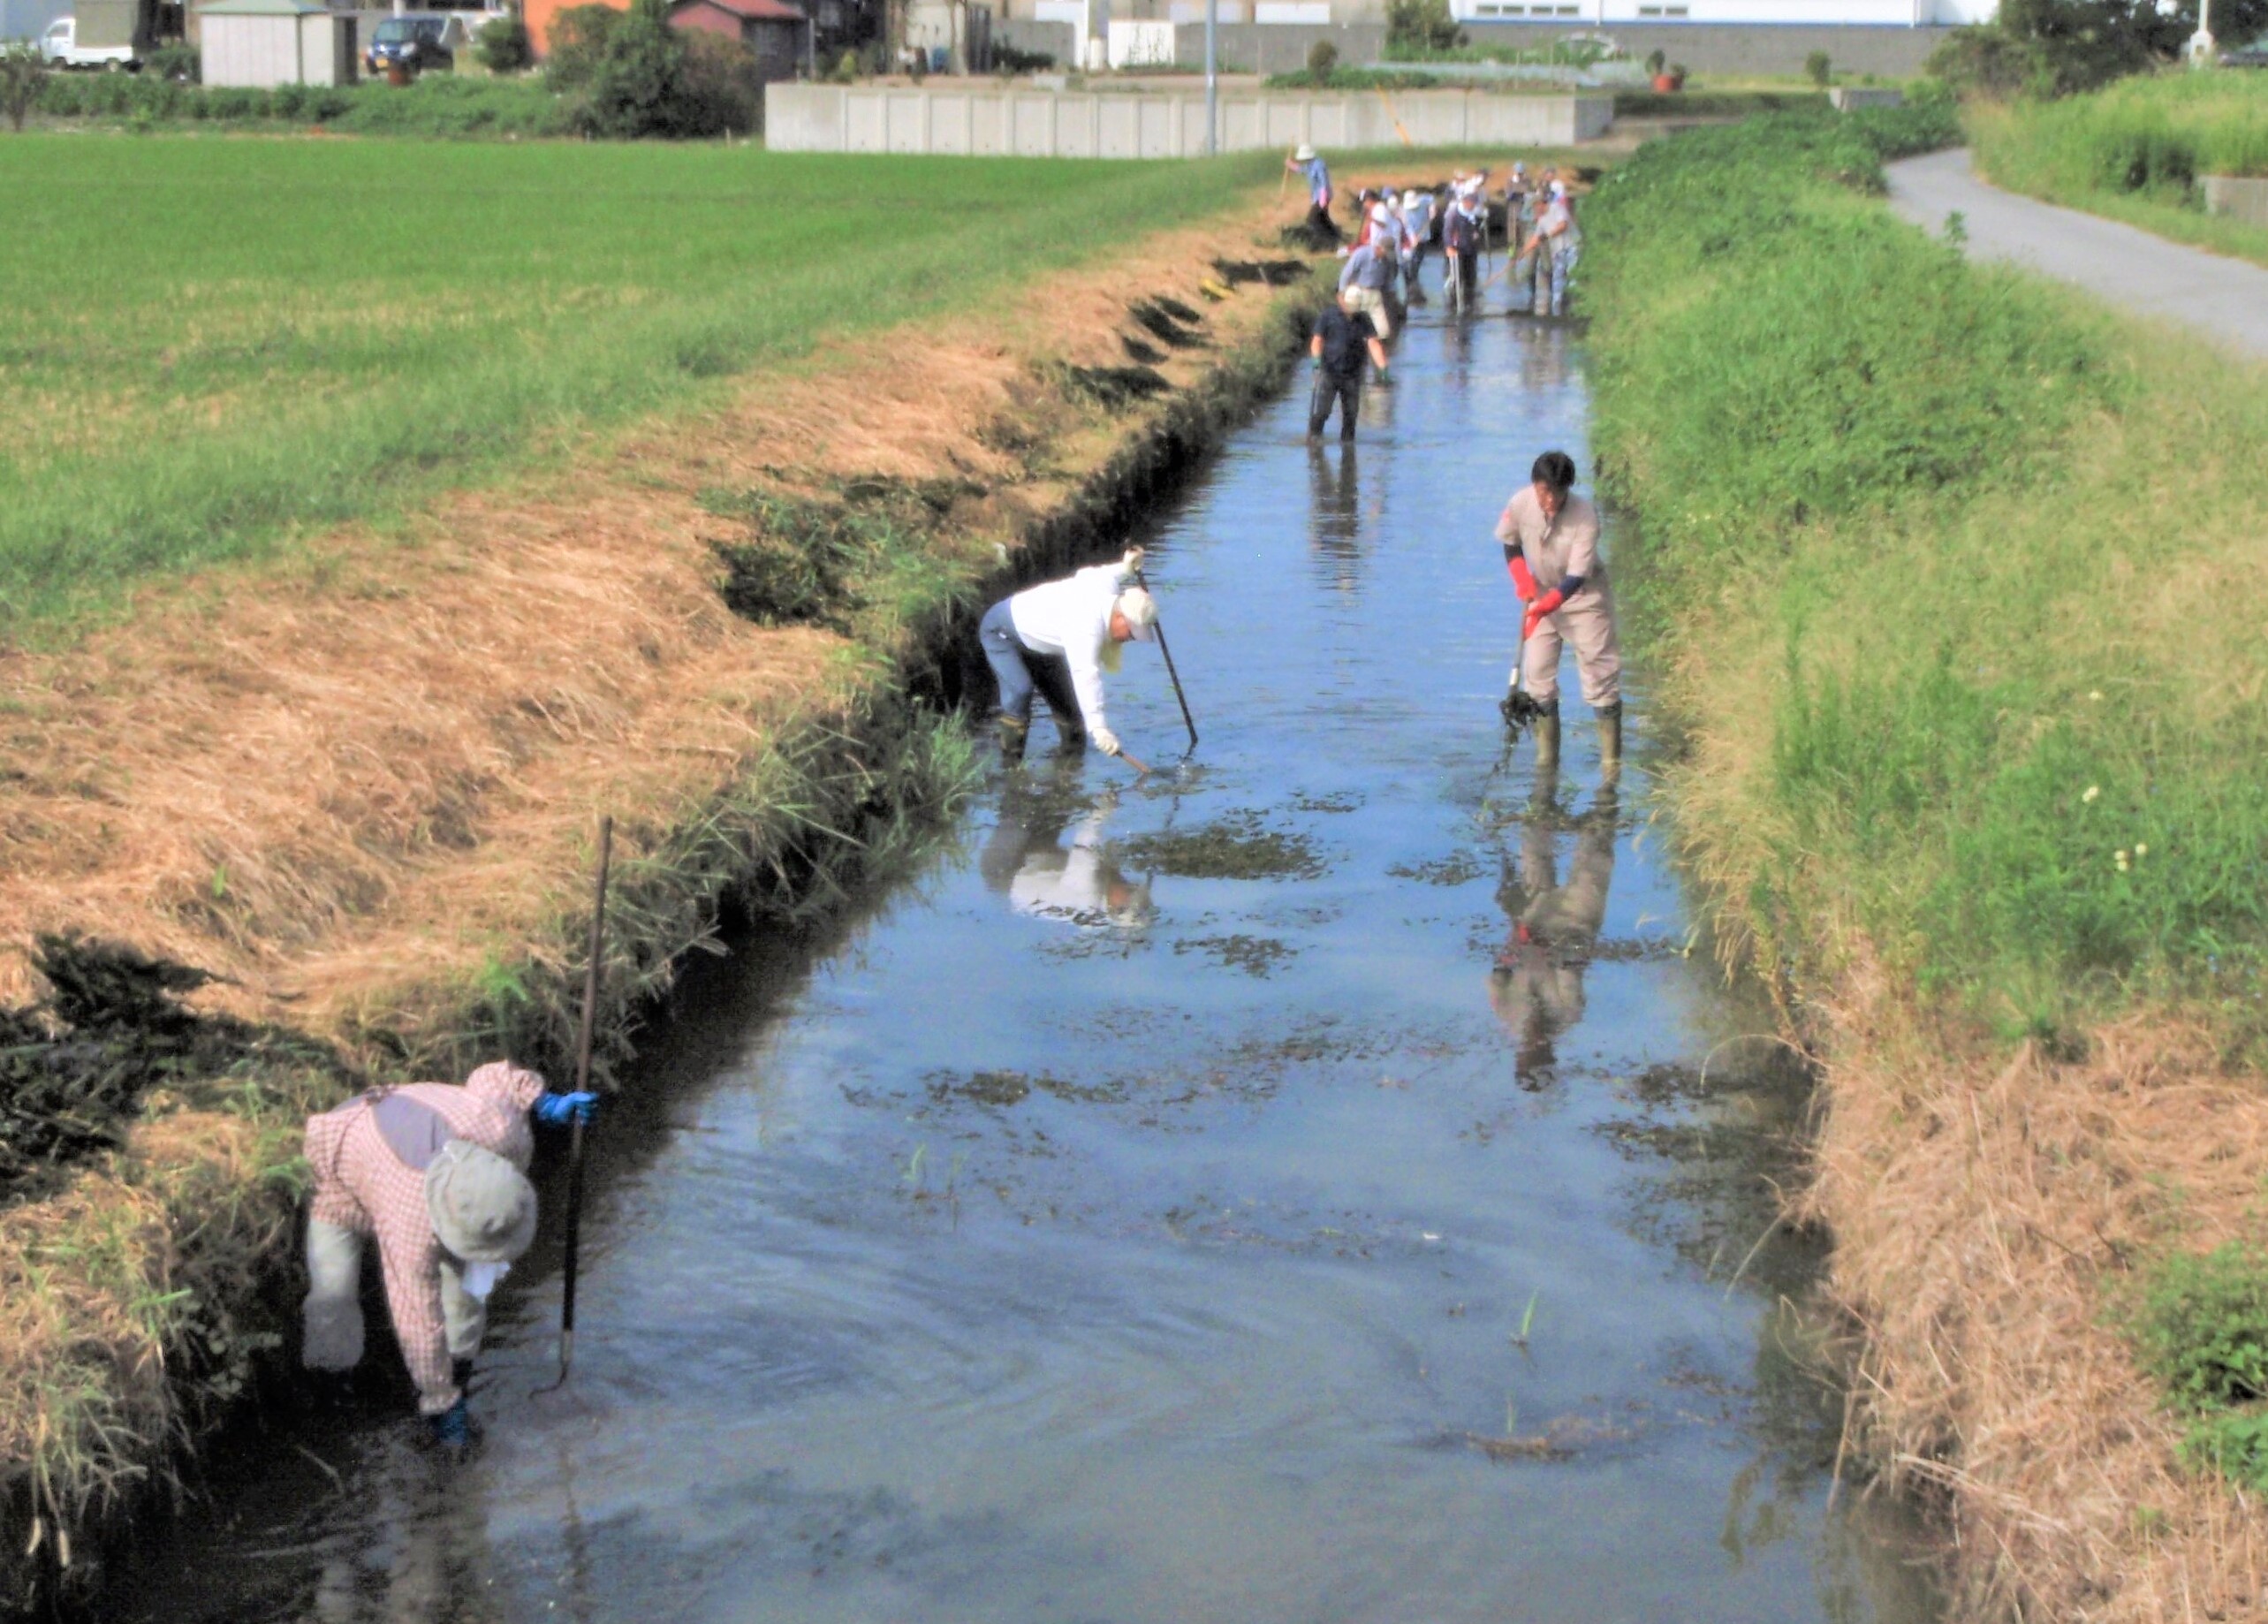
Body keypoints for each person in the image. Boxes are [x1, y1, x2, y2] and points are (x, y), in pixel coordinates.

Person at [300, 1062, 600, 1446]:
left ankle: (459, 1374)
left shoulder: (502, 1129)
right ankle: (333, 1395)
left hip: (418, 1135)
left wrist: (544, 1102)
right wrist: (439, 1401)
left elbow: (496, 1078)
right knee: (334, 1298)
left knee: (466, 1294)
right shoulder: (411, 1225)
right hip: (343, 1158)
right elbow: (417, 1318)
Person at [1495, 450, 1620, 770]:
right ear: (1534, 485)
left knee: (1600, 676)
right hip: (1539, 593)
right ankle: (1547, 762)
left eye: (1558, 492)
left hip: (1584, 598)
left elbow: (1577, 576)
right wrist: (1521, 577)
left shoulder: (1585, 516)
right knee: (1536, 676)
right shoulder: (1520, 503)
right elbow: (1511, 544)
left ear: (1568, 489)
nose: (1550, 500)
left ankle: (1610, 766)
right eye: (1544, 491)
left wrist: (1548, 605)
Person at [979, 549, 1158, 761]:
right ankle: (1011, 769)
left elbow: (1096, 573)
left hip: (1042, 644)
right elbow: (1086, 675)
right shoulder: (1086, 627)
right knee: (1020, 691)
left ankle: (1068, 768)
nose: (1130, 639)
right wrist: (1099, 728)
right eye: (1131, 633)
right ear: (1120, 617)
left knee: (1070, 709)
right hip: (1002, 631)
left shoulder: (1108, 592)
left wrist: (1125, 568)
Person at [1308, 286, 1383, 440]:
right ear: (1340, 299)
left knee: (1351, 415)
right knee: (1322, 411)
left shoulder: (1363, 319)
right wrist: (1316, 359)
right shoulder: (1328, 316)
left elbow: (1373, 343)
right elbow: (1317, 340)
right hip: (1330, 371)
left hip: (1353, 374)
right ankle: (1314, 438)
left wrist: (1382, 367)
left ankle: (1348, 447)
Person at [1521, 178, 1581, 319]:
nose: (1534, 210)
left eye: (1536, 207)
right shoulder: (1541, 219)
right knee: (1557, 279)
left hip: (1571, 247)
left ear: (1542, 204)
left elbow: (1562, 225)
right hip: (1558, 251)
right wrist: (1523, 253)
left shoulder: (1557, 208)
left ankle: (1575, 307)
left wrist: (1547, 235)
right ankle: (1557, 309)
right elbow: (1536, 238)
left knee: (1572, 276)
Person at [1336, 234, 1395, 346]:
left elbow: (1389, 280)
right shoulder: (1362, 254)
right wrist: (1341, 292)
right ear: (1378, 247)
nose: (1386, 255)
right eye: (1385, 252)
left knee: (1383, 332)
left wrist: (1390, 296)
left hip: (1375, 294)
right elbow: (1347, 273)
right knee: (1351, 321)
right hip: (1358, 291)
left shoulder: (1388, 260)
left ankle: (1374, 347)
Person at [1286, 144, 1338, 244]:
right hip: (1316, 197)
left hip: (1323, 197)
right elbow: (1302, 170)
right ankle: (1334, 238)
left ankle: (1323, 240)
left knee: (1312, 219)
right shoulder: (1309, 164)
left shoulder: (1319, 164)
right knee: (1323, 219)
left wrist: (1323, 198)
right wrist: (1290, 165)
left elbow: (1323, 182)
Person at [1399, 188, 1435, 305]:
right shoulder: (1404, 212)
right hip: (1412, 239)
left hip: (1424, 237)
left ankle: (1414, 285)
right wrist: (1413, 238)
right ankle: (1410, 288)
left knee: (1418, 262)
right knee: (1410, 263)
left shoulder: (1423, 200)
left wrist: (1432, 209)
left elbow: (1431, 199)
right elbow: (1408, 227)